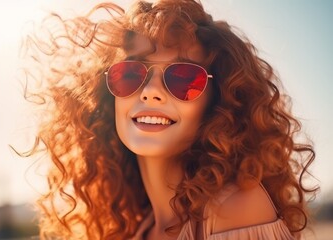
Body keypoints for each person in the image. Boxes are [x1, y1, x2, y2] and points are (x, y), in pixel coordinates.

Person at [20, 0, 318, 239]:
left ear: (217, 103)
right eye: (131, 74)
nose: (150, 92)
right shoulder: (143, 227)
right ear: (107, 96)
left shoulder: (234, 209)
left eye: (184, 78)